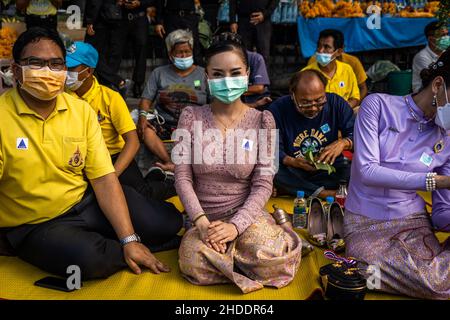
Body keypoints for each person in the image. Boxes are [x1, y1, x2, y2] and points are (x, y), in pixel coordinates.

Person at [0, 27, 182, 279]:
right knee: (88, 260)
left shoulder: (80, 111)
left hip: (86, 201)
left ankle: (130, 243)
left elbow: (103, 178)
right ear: (16, 69)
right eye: (36, 63)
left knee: (167, 224)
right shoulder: (2, 116)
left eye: (56, 64)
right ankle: (124, 248)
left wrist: (128, 238)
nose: (48, 71)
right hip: (37, 223)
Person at [174, 33, 301, 294]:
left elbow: (264, 184)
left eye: (235, 72)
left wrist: (235, 226)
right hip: (204, 219)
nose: (227, 81)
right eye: (218, 74)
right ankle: (237, 260)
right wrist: (201, 223)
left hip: (246, 215)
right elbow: (182, 178)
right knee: (191, 261)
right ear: (207, 77)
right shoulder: (190, 117)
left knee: (271, 254)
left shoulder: (263, 121)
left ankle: (230, 256)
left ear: (247, 74)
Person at [344, 49, 450, 300]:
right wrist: (436, 181)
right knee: (368, 271)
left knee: (431, 277)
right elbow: (367, 171)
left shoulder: (447, 138)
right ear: (438, 85)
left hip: (413, 221)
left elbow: (442, 215)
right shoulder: (378, 106)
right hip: (365, 222)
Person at [65, 41, 176, 200]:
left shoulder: (110, 98)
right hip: (79, 157)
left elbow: (133, 142)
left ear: (88, 71)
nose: (65, 73)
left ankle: (170, 182)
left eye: (71, 69)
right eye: (64, 67)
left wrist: (111, 176)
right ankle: (155, 175)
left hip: (113, 156)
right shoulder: (61, 96)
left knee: (143, 195)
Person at [269, 69, 354, 199]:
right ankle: (323, 193)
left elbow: (358, 135)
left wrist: (343, 143)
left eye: (319, 101)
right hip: (294, 170)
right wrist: (292, 161)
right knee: (271, 172)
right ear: (293, 95)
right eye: (306, 103)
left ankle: (296, 190)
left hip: (329, 169)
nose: (314, 108)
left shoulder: (336, 104)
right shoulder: (277, 109)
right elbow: (270, 149)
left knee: (354, 170)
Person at [137, 29, 208, 170]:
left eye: (187, 52)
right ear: (171, 54)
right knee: (145, 130)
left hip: (195, 124)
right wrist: (142, 117)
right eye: (179, 53)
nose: (184, 55)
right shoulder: (159, 73)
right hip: (165, 123)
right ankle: (169, 161)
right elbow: (145, 100)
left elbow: (214, 102)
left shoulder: (203, 74)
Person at [85, 0, 153, 98]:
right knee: (103, 54)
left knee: (92, 53)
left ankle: (117, 83)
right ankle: (114, 83)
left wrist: (90, 21)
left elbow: (95, 3)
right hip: (112, 17)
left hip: (106, 18)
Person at [302, 29, 360, 109]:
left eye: (326, 47)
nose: (320, 50)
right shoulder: (306, 73)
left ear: (339, 51)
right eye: (319, 46)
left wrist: (342, 111)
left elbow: (355, 97)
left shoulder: (347, 70)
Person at [154, 0, 202, 64]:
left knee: (194, 47)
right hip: (172, 17)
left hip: (190, 16)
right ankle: (170, 72)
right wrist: (158, 22)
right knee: (171, 45)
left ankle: (197, 72)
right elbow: (159, 3)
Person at [412, 21, 449, 93]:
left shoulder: (446, 53)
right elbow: (431, 80)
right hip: (424, 94)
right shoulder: (422, 57)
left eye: (447, 34)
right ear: (430, 39)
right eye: (442, 35)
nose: (446, 37)